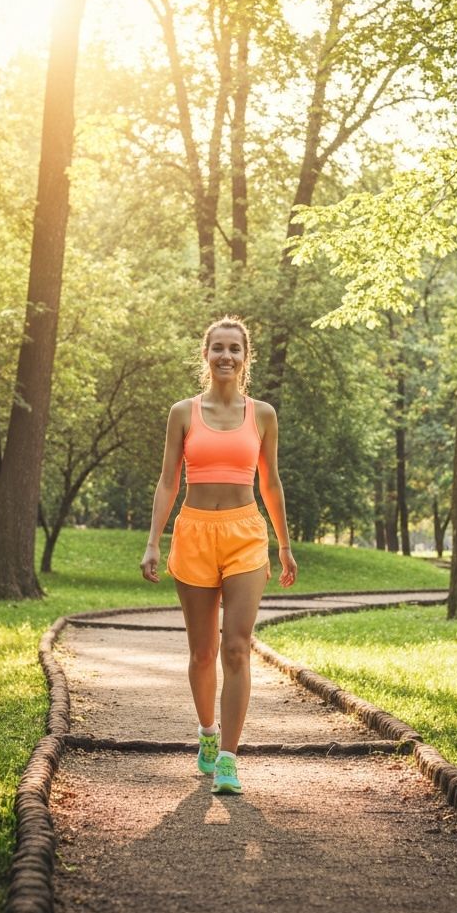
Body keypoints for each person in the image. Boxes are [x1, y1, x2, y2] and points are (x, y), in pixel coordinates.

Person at [140, 316, 298, 795]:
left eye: (235, 349)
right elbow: (169, 480)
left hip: (246, 534)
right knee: (203, 650)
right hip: (193, 533)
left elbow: (270, 482)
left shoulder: (263, 414)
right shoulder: (183, 413)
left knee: (236, 646)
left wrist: (285, 545)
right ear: (205, 355)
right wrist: (154, 539)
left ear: (245, 358)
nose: (226, 356)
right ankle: (208, 734)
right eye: (218, 349)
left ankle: (228, 758)